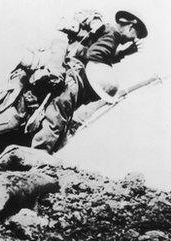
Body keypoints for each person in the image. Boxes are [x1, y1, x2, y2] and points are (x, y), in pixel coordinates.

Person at [31, 10, 148, 153]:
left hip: (72, 72)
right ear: (130, 27)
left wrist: (122, 53)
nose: (130, 40)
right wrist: (119, 57)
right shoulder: (114, 35)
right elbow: (94, 55)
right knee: (58, 117)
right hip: (75, 78)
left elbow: (99, 53)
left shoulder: (107, 31)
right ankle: (39, 151)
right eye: (134, 36)